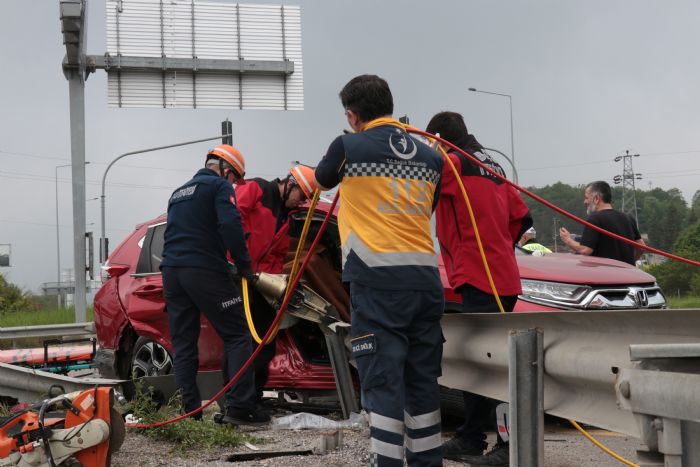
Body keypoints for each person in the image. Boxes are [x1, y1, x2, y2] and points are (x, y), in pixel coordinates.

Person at [314, 74, 445, 467]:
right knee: (422, 382)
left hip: (376, 281)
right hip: (425, 281)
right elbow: (429, 206)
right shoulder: (432, 157)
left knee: (384, 381)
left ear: (353, 116)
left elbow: (321, 180)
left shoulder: (348, 146)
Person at [426, 111, 532, 467]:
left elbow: (420, 194)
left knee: (490, 365)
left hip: (477, 274)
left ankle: (507, 445)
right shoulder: (494, 166)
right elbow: (523, 217)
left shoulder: (453, 163)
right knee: (493, 360)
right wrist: (500, 245)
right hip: (503, 275)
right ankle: (473, 436)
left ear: (440, 140)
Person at [160, 144, 269, 426]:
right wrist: (244, 266)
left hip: (172, 273)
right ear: (225, 170)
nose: (234, 184)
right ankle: (240, 409)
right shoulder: (219, 188)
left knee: (184, 344)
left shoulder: (177, 193)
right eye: (234, 178)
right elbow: (230, 225)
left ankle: (190, 413)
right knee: (237, 335)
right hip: (203, 271)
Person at [233, 163, 318, 395]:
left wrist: (273, 282)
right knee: (246, 344)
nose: (302, 203)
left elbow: (279, 255)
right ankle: (238, 401)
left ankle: (253, 398)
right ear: (291, 184)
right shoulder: (257, 189)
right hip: (238, 278)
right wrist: (237, 261)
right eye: (302, 195)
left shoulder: (286, 218)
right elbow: (230, 220)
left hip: (258, 283)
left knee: (265, 345)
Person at [559, 180, 645, 265]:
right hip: (629, 275)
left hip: (606, 275)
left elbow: (585, 250)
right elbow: (641, 248)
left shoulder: (595, 219)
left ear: (596, 199)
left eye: (586, 198)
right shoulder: (629, 218)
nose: (584, 202)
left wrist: (568, 240)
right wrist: (629, 263)